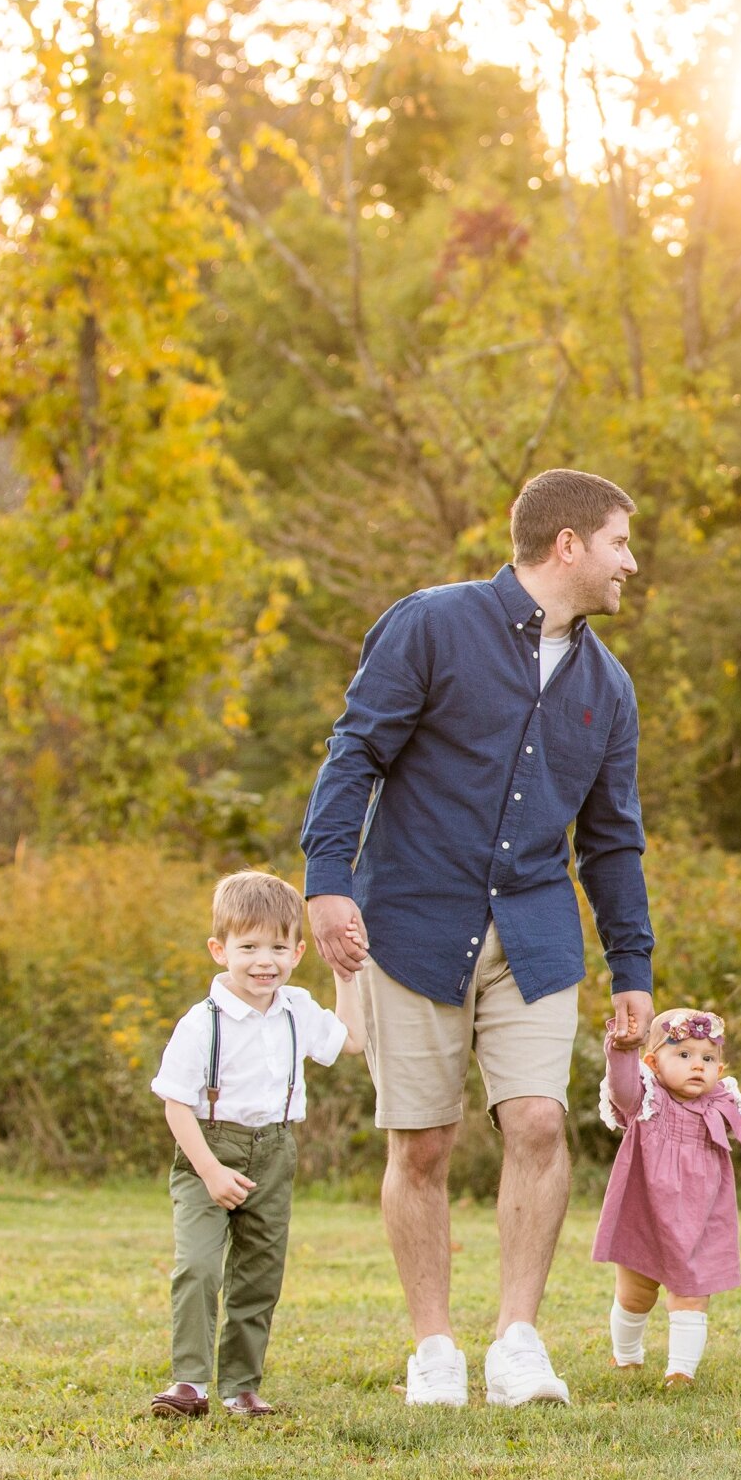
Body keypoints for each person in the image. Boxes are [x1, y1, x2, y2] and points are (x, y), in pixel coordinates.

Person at [298, 468, 657, 1409]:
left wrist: (634, 968)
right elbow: (356, 753)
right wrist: (326, 883)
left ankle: (518, 1341)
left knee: (538, 1122)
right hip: (414, 918)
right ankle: (435, 1348)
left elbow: (612, 837)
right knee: (421, 1143)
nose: (632, 561)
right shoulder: (430, 624)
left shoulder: (609, 687)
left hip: (535, 929)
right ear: (568, 544)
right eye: (620, 541)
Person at [146, 870, 364, 1418]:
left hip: (274, 1152)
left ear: (298, 951)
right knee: (198, 1266)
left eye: (277, 947)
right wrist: (212, 1173)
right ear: (220, 950)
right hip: (208, 1151)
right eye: (248, 947)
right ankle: (189, 1383)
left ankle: (242, 1385)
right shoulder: (201, 1024)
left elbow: (353, 1041)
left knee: (259, 1274)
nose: (264, 960)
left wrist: (348, 975)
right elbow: (176, 1103)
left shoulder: (297, 1009)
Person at [591, 1007, 741, 1386]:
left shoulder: (719, 1103)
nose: (697, 1066)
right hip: (646, 1212)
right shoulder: (647, 1099)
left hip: (701, 1217)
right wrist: (622, 1049)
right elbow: (621, 1088)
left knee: (692, 1293)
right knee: (635, 1293)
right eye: (684, 1055)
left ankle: (680, 1372)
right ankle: (626, 1357)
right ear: (653, 1063)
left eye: (707, 1058)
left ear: (719, 1070)